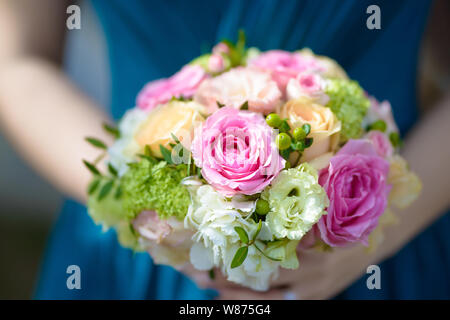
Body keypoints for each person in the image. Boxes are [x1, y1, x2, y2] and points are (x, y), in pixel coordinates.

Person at [0, 0, 448, 299]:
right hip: (142, 243)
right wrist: (134, 195)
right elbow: (18, 60)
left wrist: (377, 235)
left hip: (387, 232)